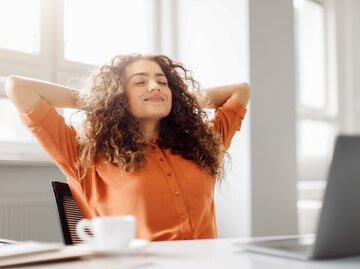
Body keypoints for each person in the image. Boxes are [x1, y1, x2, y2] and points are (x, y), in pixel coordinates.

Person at [5, 54, 250, 241]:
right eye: (140, 82)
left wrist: (181, 102)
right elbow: (18, 87)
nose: (154, 86)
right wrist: (102, 103)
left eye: (162, 82)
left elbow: (241, 91)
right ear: (118, 95)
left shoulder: (200, 145)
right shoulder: (84, 156)